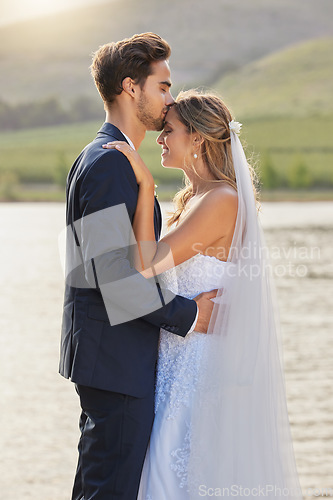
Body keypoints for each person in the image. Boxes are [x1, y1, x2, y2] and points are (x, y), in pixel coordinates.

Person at [103, 90, 303, 499]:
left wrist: (144, 188)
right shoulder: (195, 199)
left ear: (197, 139)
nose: (160, 138)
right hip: (177, 361)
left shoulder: (222, 200)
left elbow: (147, 264)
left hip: (200, 369)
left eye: (169, 131)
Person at [59, 34, 217, 500]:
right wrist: (190, 316)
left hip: (109, 358)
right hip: (115, 357)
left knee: (98, 486)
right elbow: (114, 278)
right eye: (163, 87)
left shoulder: (107, 156)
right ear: (132, 88)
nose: (170, 100)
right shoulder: (109, 163)